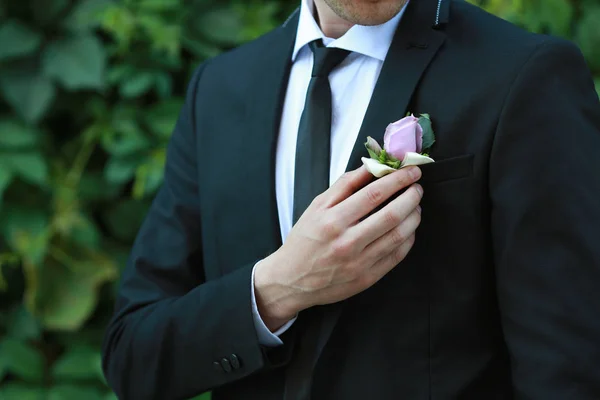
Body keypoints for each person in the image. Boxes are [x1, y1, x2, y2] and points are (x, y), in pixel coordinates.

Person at [101, 0, 600, 398]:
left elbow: (567, 363)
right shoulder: (219, 88)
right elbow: (134, 358)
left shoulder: (524, 73)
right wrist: (276, 291)